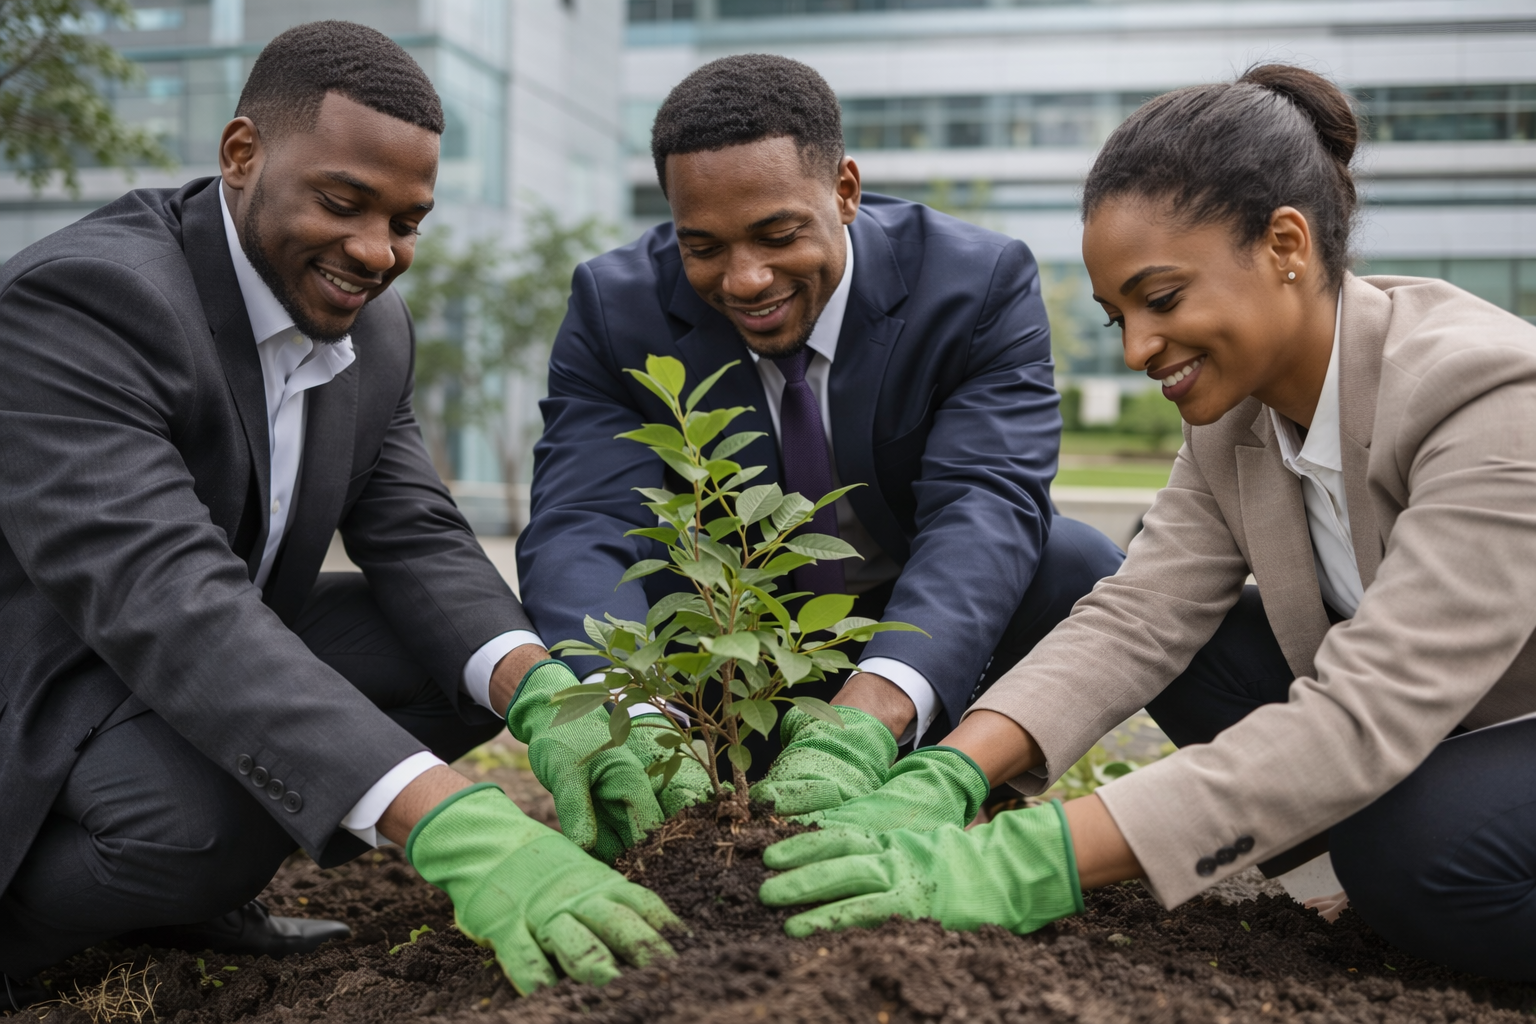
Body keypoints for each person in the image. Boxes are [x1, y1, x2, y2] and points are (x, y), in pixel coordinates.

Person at [759, 64, 1536, 983]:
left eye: (1161, 299)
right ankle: (1334, 880)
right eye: (1116, 316)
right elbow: (1140, 617)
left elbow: (1372, 708)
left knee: (1417, 847)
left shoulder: (1487, 396)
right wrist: (950, 772)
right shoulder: (1237, 417)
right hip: (1432, 729)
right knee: (1143, 613)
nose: (1136, 348)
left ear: (1285, 243)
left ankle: (1393, 868)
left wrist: (1026, 860)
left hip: (1497, 720)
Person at [0, 22, 677, 1011]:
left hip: (174, 657)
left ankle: (187, 896)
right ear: (242, 154)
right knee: (187, 830)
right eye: (342, 202)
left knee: (460, 660)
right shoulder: (88, 300)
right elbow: (168, 598)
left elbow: (416, 531)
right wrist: (448, 819)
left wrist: (550, 696)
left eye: (407, 220)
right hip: (45, 683)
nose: (375, 250)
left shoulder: (373, 324)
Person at [515, 54, 1124, 826]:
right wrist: (625, 713)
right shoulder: (616, 307)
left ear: (845, 191)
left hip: (907, 630)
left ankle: (951, 776)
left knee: (1075, 562)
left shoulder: (975, 285)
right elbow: (584, 520)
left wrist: (873, 709)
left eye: (777, 235)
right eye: (702, 247)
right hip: (728, 655)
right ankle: (699, 781)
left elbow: (985, 504)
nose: (745, 279)